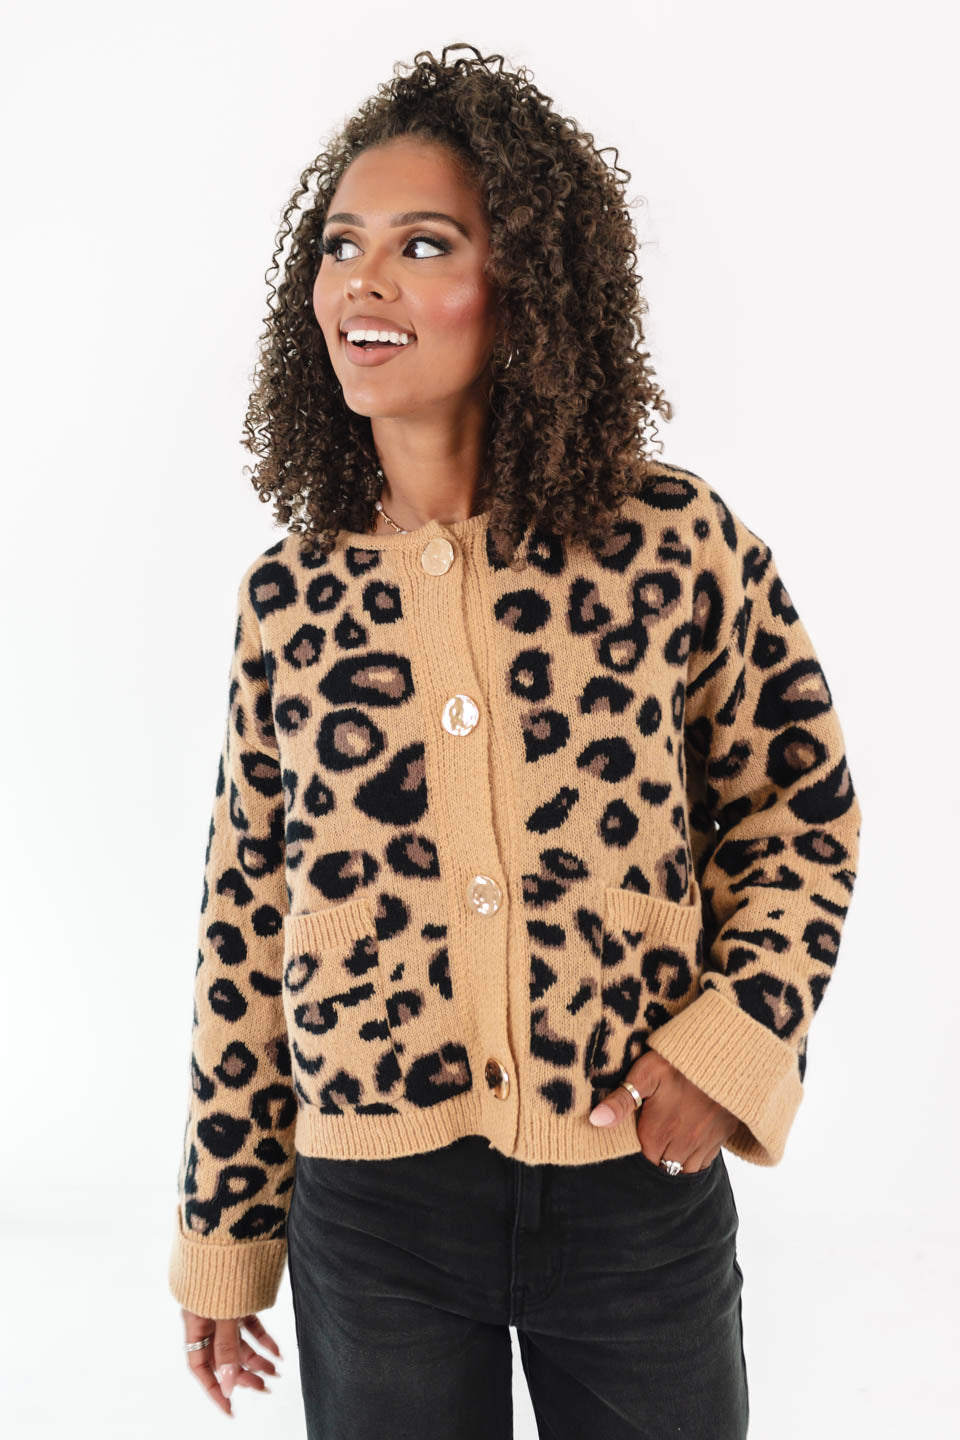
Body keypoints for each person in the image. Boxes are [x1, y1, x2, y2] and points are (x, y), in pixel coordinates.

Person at [168, 43, 862, 1438]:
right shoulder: (290, 598)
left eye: (423, 244)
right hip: (374, 1209)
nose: (362, 281)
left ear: (527, 287)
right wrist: (225, 1228)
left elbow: (799, 815)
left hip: (632, 1177)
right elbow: (247, 914)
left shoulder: (671, 542)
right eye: (341, 245)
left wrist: (727, 1052)